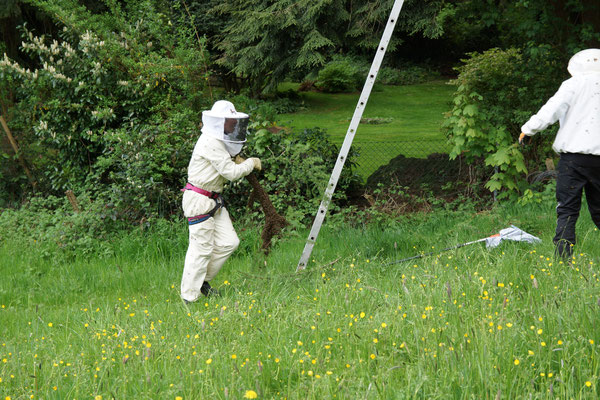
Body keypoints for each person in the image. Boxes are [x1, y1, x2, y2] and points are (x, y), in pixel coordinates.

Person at [520, 48, 600, 260]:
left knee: (567, 209)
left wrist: (528, 130)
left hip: (573, 159)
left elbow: (551, 110)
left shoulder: (573, 84)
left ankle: (563, 259)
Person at [181, 100, 261, 303]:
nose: (234, 126)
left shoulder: (218, 142)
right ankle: (189, 298)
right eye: (231, 122)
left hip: (213, 200)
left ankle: (201, 282)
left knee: (229, 242)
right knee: (200, 250)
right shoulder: (210, 142)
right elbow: (231, 173)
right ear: (220, 122)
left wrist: (238, 160)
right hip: (199, 200)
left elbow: (227, 163)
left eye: (236, 122)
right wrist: (251, 163)